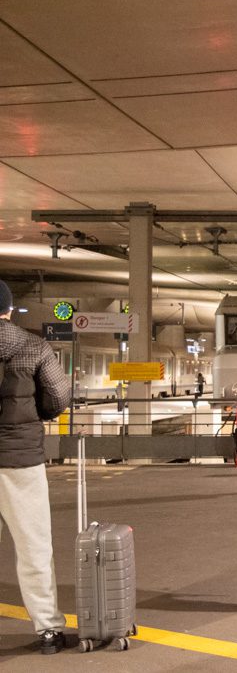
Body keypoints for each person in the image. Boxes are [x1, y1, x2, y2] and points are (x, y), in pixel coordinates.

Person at [0, 280, 72, 654]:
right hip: (20, 460)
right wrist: (33, 416)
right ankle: (48, 629)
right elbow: (58, 397)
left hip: (18, 456)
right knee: (33, 548)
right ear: (9, 310)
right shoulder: (32, 346)